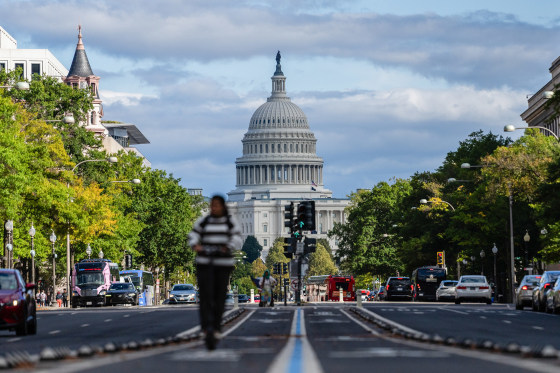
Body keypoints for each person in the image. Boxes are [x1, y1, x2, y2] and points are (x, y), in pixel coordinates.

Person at [189, 195, 242, 350]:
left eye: (217, 205)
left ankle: (217, 327)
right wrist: (195, 245)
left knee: (219, 298)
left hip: (223, 264)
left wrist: (228, 246)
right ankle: (206, 327)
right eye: (212, 205)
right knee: (205, 297)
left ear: (223, 207)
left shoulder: (230, 222)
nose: (214, 208)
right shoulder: (204, 221)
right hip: (204, 263)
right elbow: (193, 234)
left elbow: (238, 239)